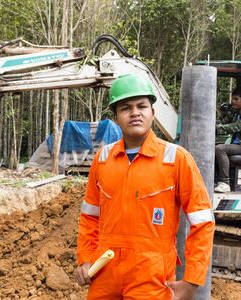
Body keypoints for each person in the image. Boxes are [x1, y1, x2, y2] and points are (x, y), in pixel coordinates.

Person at [75, 73, 215, 299]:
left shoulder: (175, 158)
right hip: (105, 275)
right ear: (116, 117)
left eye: (142, 106)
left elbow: (202, 222)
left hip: (151, 277)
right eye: (126, 108)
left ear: (153, 113)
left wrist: (192, 279)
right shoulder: (103, 159)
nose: (135, 113)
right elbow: (90, 217)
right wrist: (86, 258)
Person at [214, 88, 241, 193]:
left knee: (220, 149)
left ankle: (225, 183)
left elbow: (236, 127)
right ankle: (216, 180)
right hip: (237, 146)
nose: (233, 101)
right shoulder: (236, 113)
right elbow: (223, 122)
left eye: (236, 99)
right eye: (232, 99)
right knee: (212, 149)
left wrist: (220, 127)